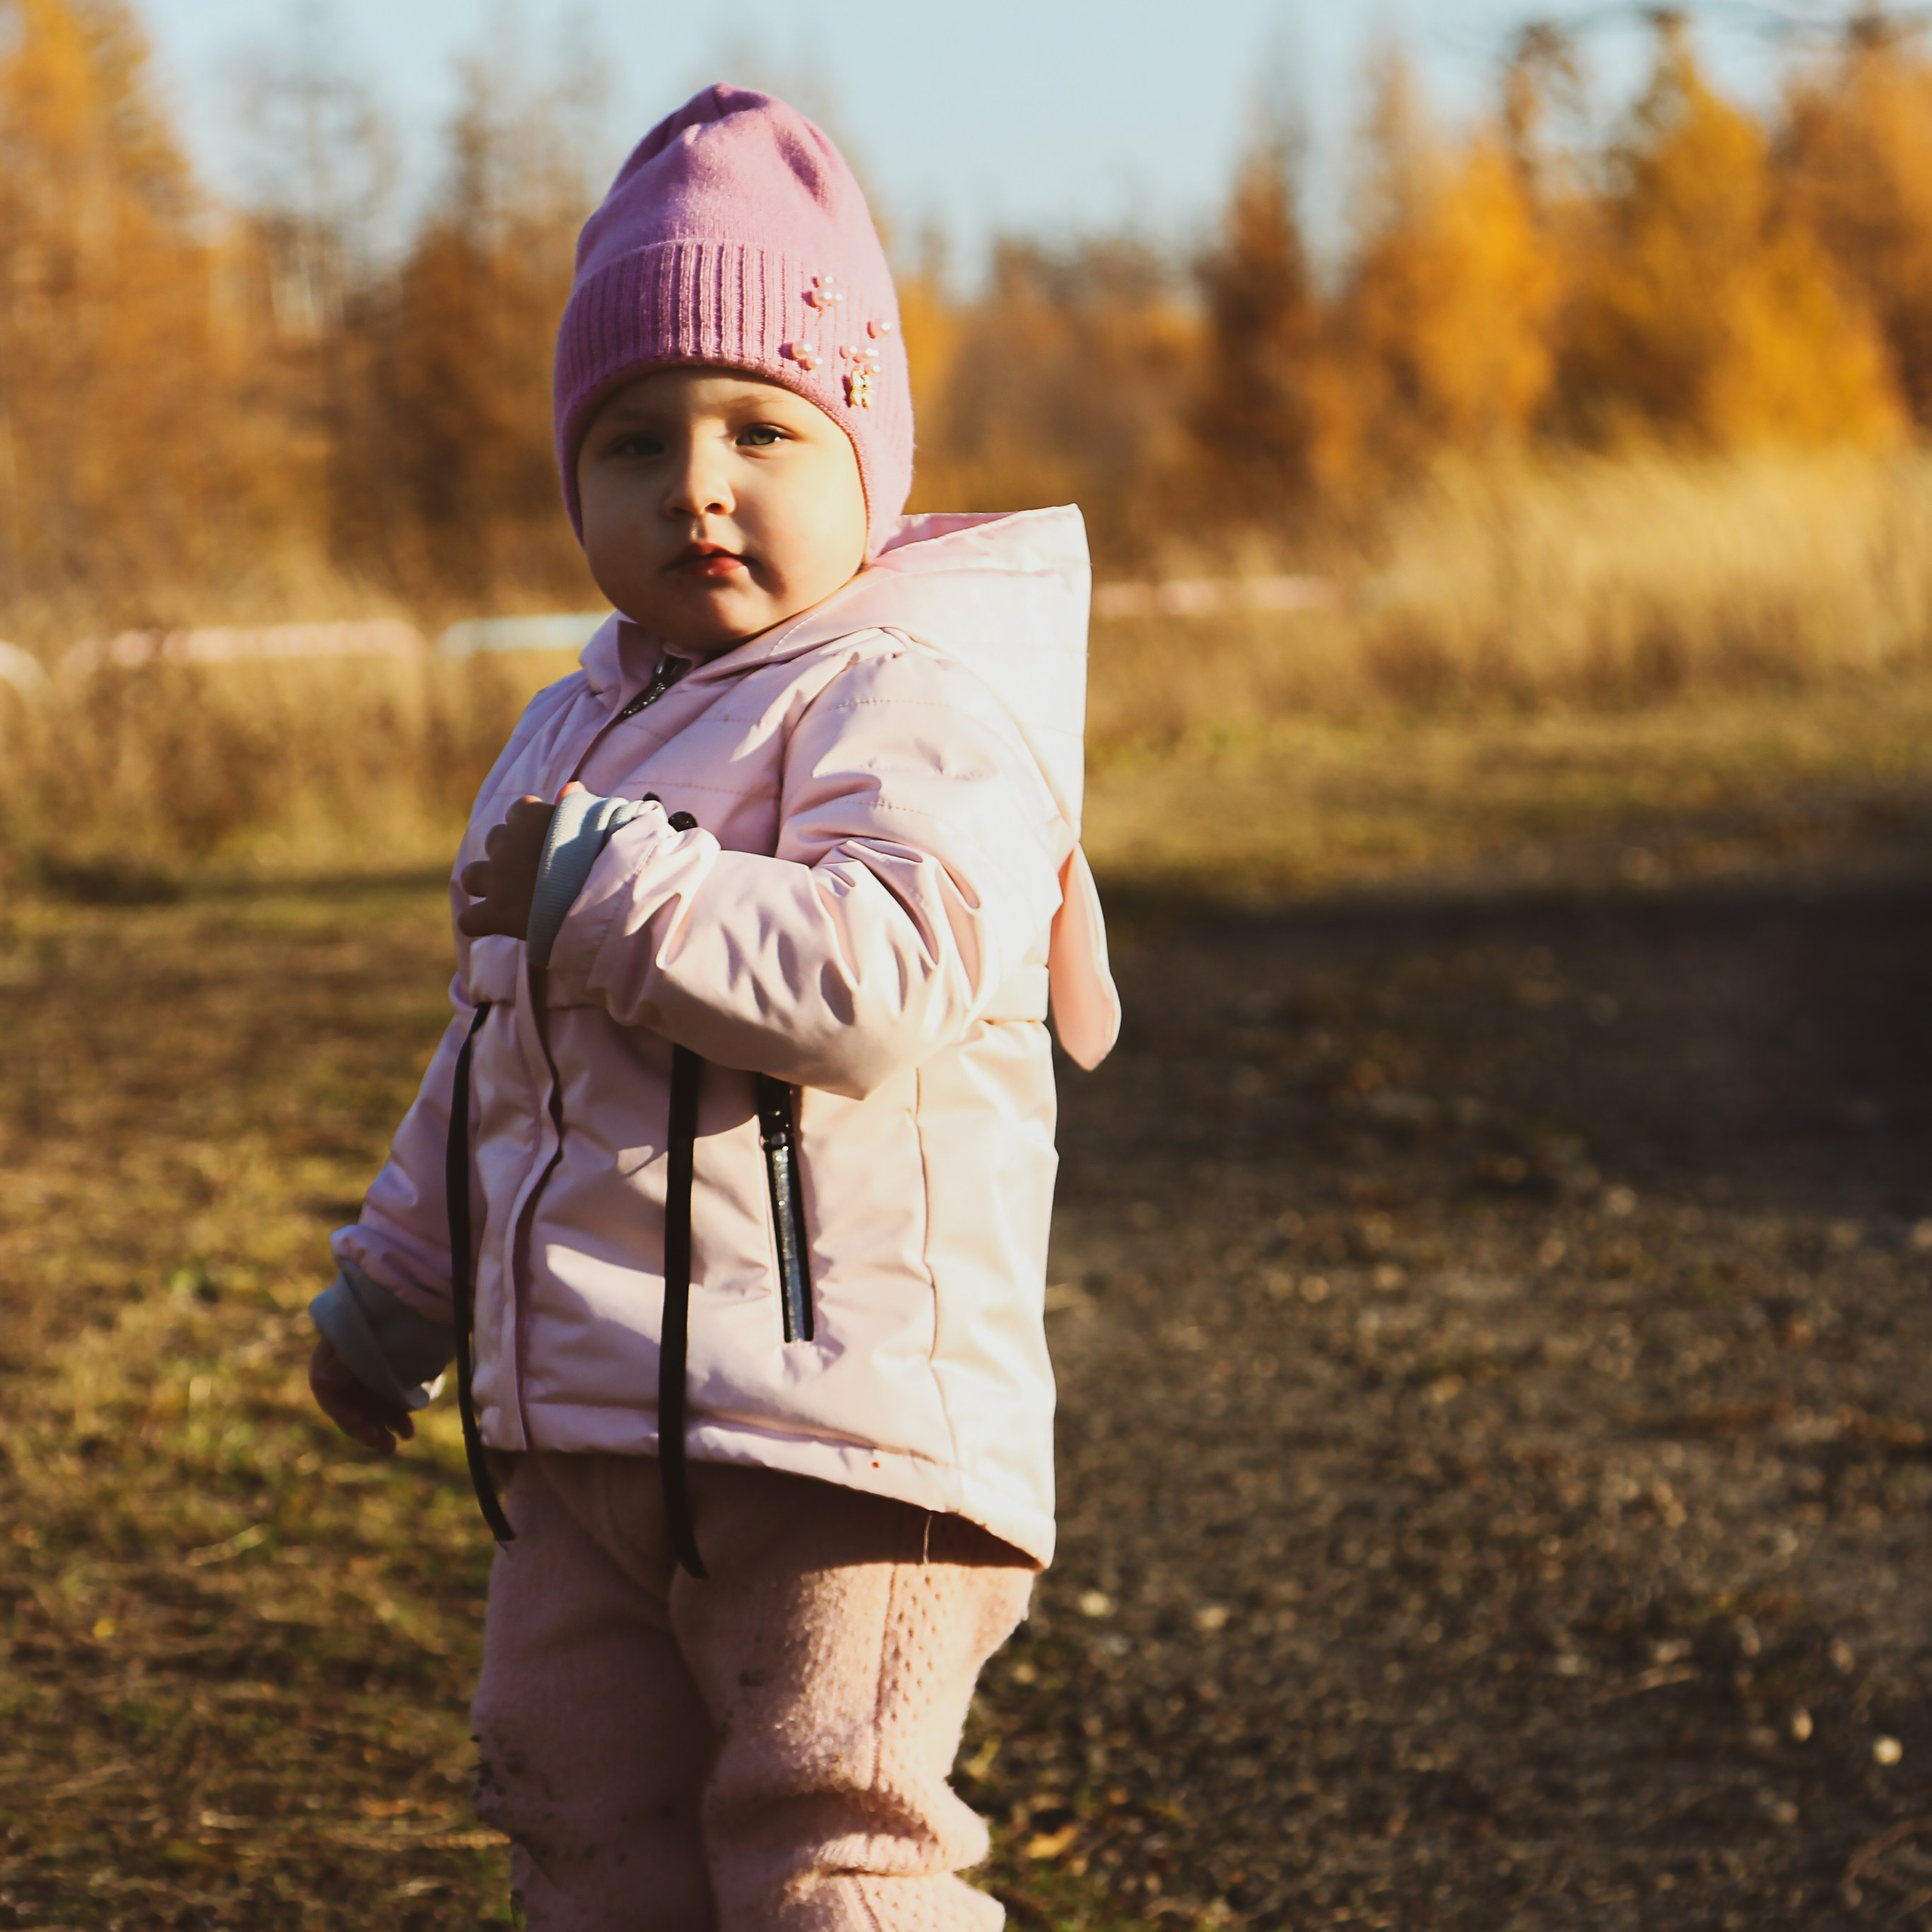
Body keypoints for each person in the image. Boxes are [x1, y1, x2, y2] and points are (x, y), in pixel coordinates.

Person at [305, 84, 1120, 1932]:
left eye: (763, 427)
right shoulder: (570, 718)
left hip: (834, 1438)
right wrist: (400, 1284)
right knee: (581, 1824)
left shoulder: (908, 702)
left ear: (867, 460)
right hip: (589, 1431)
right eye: (634, 441)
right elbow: (490, 1050)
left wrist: (619, 890)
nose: (697, 482)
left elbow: (880, 974)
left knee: (827, 1844)